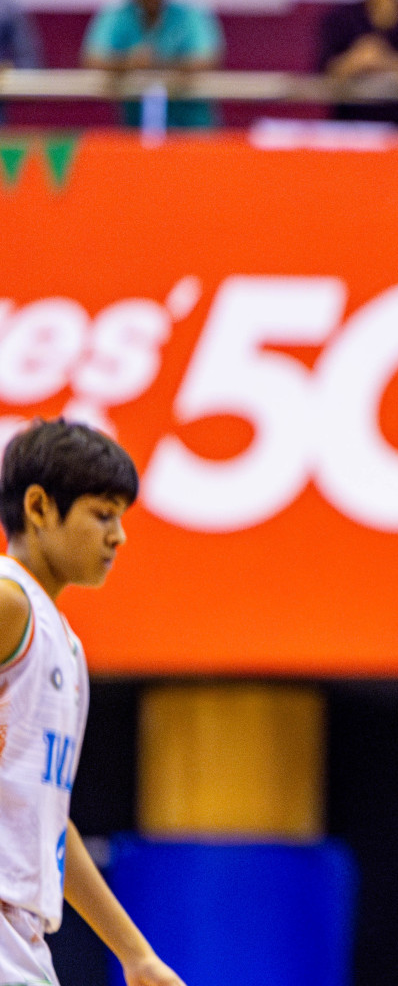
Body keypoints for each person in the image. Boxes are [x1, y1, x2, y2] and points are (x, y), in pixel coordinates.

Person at [0, 419, 185, 986]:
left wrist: (136, 955)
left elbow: (51, 824)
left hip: (23, 932)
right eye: (103, 514)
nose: (119, 536)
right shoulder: (8, 601)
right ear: (38, 507)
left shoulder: (65, 646)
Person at [81, 0, 224, 129]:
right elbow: (92, 59)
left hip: (193, 132)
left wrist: (159, 63)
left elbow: (207, 59)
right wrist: (127, 63)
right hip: (136, 132)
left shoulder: (190, 14)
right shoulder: (117, 16)